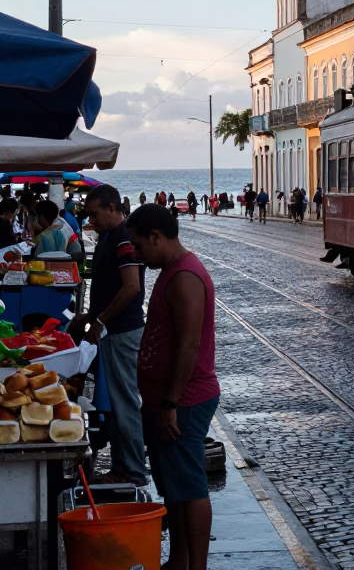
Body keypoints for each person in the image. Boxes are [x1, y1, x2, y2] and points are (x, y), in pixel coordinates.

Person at [127, 204, 220, 570]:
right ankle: (179, 560)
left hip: (184, 400)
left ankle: (195, 565)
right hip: (163, 400)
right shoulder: (168, 271)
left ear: (156, 236)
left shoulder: (185, 276)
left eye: (139, 246)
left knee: (190, 486)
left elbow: (188, 345)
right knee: (174, 488)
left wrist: (170, 403)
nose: (136, 253)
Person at [77, 186, 148, 485]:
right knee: (118, 403)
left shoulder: (123, 239)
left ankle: (132, 469)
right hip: (111, 329)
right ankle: (122, 466)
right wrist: (88, 316)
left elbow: (131, 287)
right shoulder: (108, 236)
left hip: (122, 331)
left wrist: (101, 321)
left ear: (111, 208)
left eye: (94, 213)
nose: (91, 220)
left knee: (124, 401)